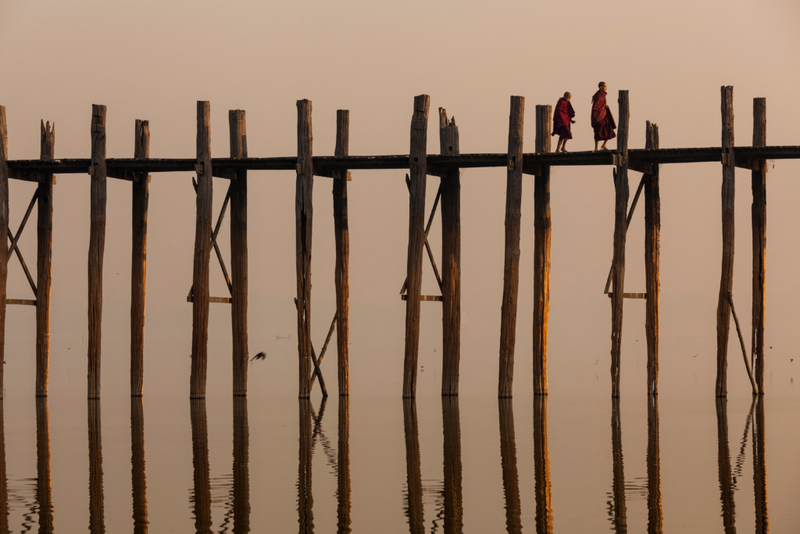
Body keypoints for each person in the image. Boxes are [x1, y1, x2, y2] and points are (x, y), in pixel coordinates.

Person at [591, 81, 616, 151]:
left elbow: (601, 104)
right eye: (605, 87)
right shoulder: (598, 96)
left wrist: (605, 106)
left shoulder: (602, 95)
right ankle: (596, 147)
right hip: (598, 116)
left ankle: (604, 144)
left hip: (604, 115)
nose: (606, 88)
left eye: (606, 87)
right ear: (601, 87)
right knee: (598, 131)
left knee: (609, 129)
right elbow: (595, 107)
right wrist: (602, 108)